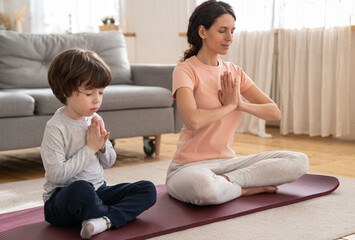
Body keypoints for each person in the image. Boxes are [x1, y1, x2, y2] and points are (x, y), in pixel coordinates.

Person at [166, 0, 309, 206]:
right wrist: (229, 107)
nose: (229, 38)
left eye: (232, 31)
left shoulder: (234, 71)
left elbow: (274, 112)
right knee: (204, 188)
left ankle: (228, 184)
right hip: (189, 168)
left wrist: (239, 104)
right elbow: (193, 121)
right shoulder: (185, 70)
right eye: (223, 30)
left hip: (229, 164)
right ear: (203, 32)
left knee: (299, 161)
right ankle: (245, 189)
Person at [41, 48, 156, 239]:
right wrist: (90, 148)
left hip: (98, 191)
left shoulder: (95, 119)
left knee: (148, 189)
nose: (97, 100)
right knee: (82, 189)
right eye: (89, 94)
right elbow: (57, 177)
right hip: (63, 200)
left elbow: (109, 161)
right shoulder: (55, 127)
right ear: (65, 91)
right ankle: (107, 214)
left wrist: (102, 147)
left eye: (101, 93)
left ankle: (101, 220)